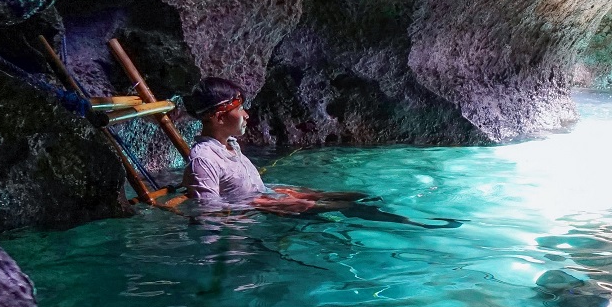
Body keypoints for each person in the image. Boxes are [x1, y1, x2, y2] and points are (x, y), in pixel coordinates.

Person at [181, 78, 462, 228]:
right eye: (238, 109)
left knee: (357, 196)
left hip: (267, 195)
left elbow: (245, 187)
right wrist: (265, 206)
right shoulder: (204, 159)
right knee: (348, 208)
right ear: (218, 117)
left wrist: (283, 193)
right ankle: (416, 225)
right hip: (261, 207)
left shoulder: (229, 145)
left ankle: (411, 217)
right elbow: (207, 211)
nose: (246, 114)